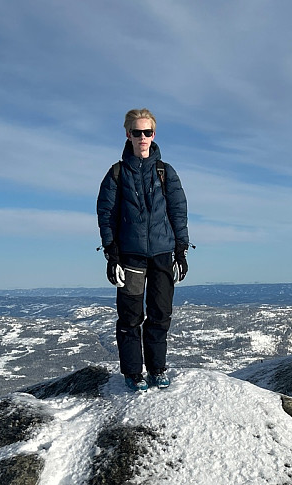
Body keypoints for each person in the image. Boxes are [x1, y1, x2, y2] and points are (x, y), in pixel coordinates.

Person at [96, 108, 191, 391]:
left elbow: (178, 211)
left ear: (154, 134)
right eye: (136, 132)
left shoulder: (165, 172)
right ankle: (133, 372)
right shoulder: (116, 173)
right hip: (130, 255)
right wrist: (112, 255)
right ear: (128, 134)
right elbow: (106, 215)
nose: (142, 138)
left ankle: (157, 369)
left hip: (162, 253)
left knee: (160, 314)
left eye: (147, 132)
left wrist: (181, 251)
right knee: (130, 316)